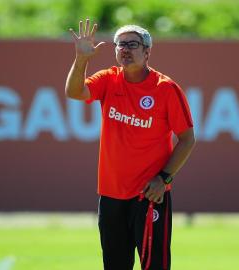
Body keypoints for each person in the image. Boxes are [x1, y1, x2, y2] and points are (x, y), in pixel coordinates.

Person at [65, 19, 196, 270]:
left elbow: (187, 139)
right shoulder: (108, 80)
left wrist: (164, 178)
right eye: (120, 45)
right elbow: (74, 92)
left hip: (148, 195)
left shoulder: (165, 88)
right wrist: (82, 58)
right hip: (111, 194)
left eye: (132, 44)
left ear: (147, 52)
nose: (125, 49)